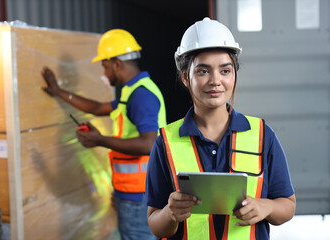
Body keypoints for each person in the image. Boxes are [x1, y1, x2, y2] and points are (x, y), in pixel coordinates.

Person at [145, 17, 296, 240]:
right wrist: (170, 213)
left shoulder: (262, 135)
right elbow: (155, 224)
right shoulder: (166, 142)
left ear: (234, 75)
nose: (215, 81)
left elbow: (288, 206)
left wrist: (266, 207)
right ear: (185, 77)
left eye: (225, 71)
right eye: (203, 71)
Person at [41, 29, 166, 240]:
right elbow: (98, 107)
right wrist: (59, 92)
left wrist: (99, 140)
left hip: (140, 196)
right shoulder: (131, 91)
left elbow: (148, 143)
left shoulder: (141, 95)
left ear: (116, 64)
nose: (104, 73)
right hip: (132, 192)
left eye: (105, 66)